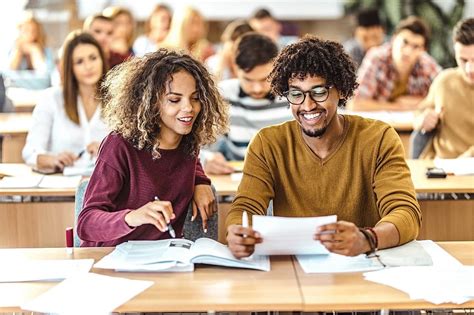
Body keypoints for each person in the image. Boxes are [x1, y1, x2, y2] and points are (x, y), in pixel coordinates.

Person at [225, 35, 421, 258]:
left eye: (319, 92)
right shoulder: (268, 144)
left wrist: (367, 239)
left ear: (341, 90)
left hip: (362, 265)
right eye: (296, 94)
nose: (307, 106)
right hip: (296, 270)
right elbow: (245, 207)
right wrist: (237, 233)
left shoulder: (378, 138)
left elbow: (406, 213)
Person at [77, 49, 229, 247]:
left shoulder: (188, 143)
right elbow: (86, 223)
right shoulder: (119, 145)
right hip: (112, 259)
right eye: (174, 100)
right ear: (151, 103)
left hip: (164, 260)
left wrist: (201, 181)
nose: (189, 108)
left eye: (195, 97)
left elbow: (185, 162)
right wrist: (132, 217)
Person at [203, 32, 293, 175]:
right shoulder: (222, 94)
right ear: (235, 69)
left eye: (264, 79)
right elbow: (200, 145)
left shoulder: (295, 95)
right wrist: (206, 159)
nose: (257, 88)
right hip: (237, 181)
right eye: (248, 80)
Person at [22, 31, 109, 171]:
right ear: (70, 67)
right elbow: (30, 152)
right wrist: (52, 159)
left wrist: (109, 152)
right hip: (59, 186)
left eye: (93, 58)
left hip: (104, 187)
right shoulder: (51, 99)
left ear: (102, 60)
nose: (88, 66)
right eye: (79, 61)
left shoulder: (117, 101)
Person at [351, 16, 441, 111]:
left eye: (416, 46)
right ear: (394, 39)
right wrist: (398, 106)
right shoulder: (376, 58)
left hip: (411, 125)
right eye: (404, 42)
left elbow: (447, 96)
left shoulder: (426, 63)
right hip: (379, 123)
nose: (408, 51)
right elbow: (355, 104)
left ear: (423, 50)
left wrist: (419, 101)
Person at [413, 18, 474, 159]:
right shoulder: (444, 81)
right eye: (463, 60)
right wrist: (422, 119)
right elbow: (419, 114)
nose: (469, 69)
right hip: (441, 168)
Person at [5, 14, 55, 89]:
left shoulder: (46, 52)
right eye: (26, 30)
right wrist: (18, 52)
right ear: (20, 31)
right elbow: (6, 77)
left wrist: (34, 51)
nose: (30, 34)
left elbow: (47, 78)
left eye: (34, 31)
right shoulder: (11, 50)